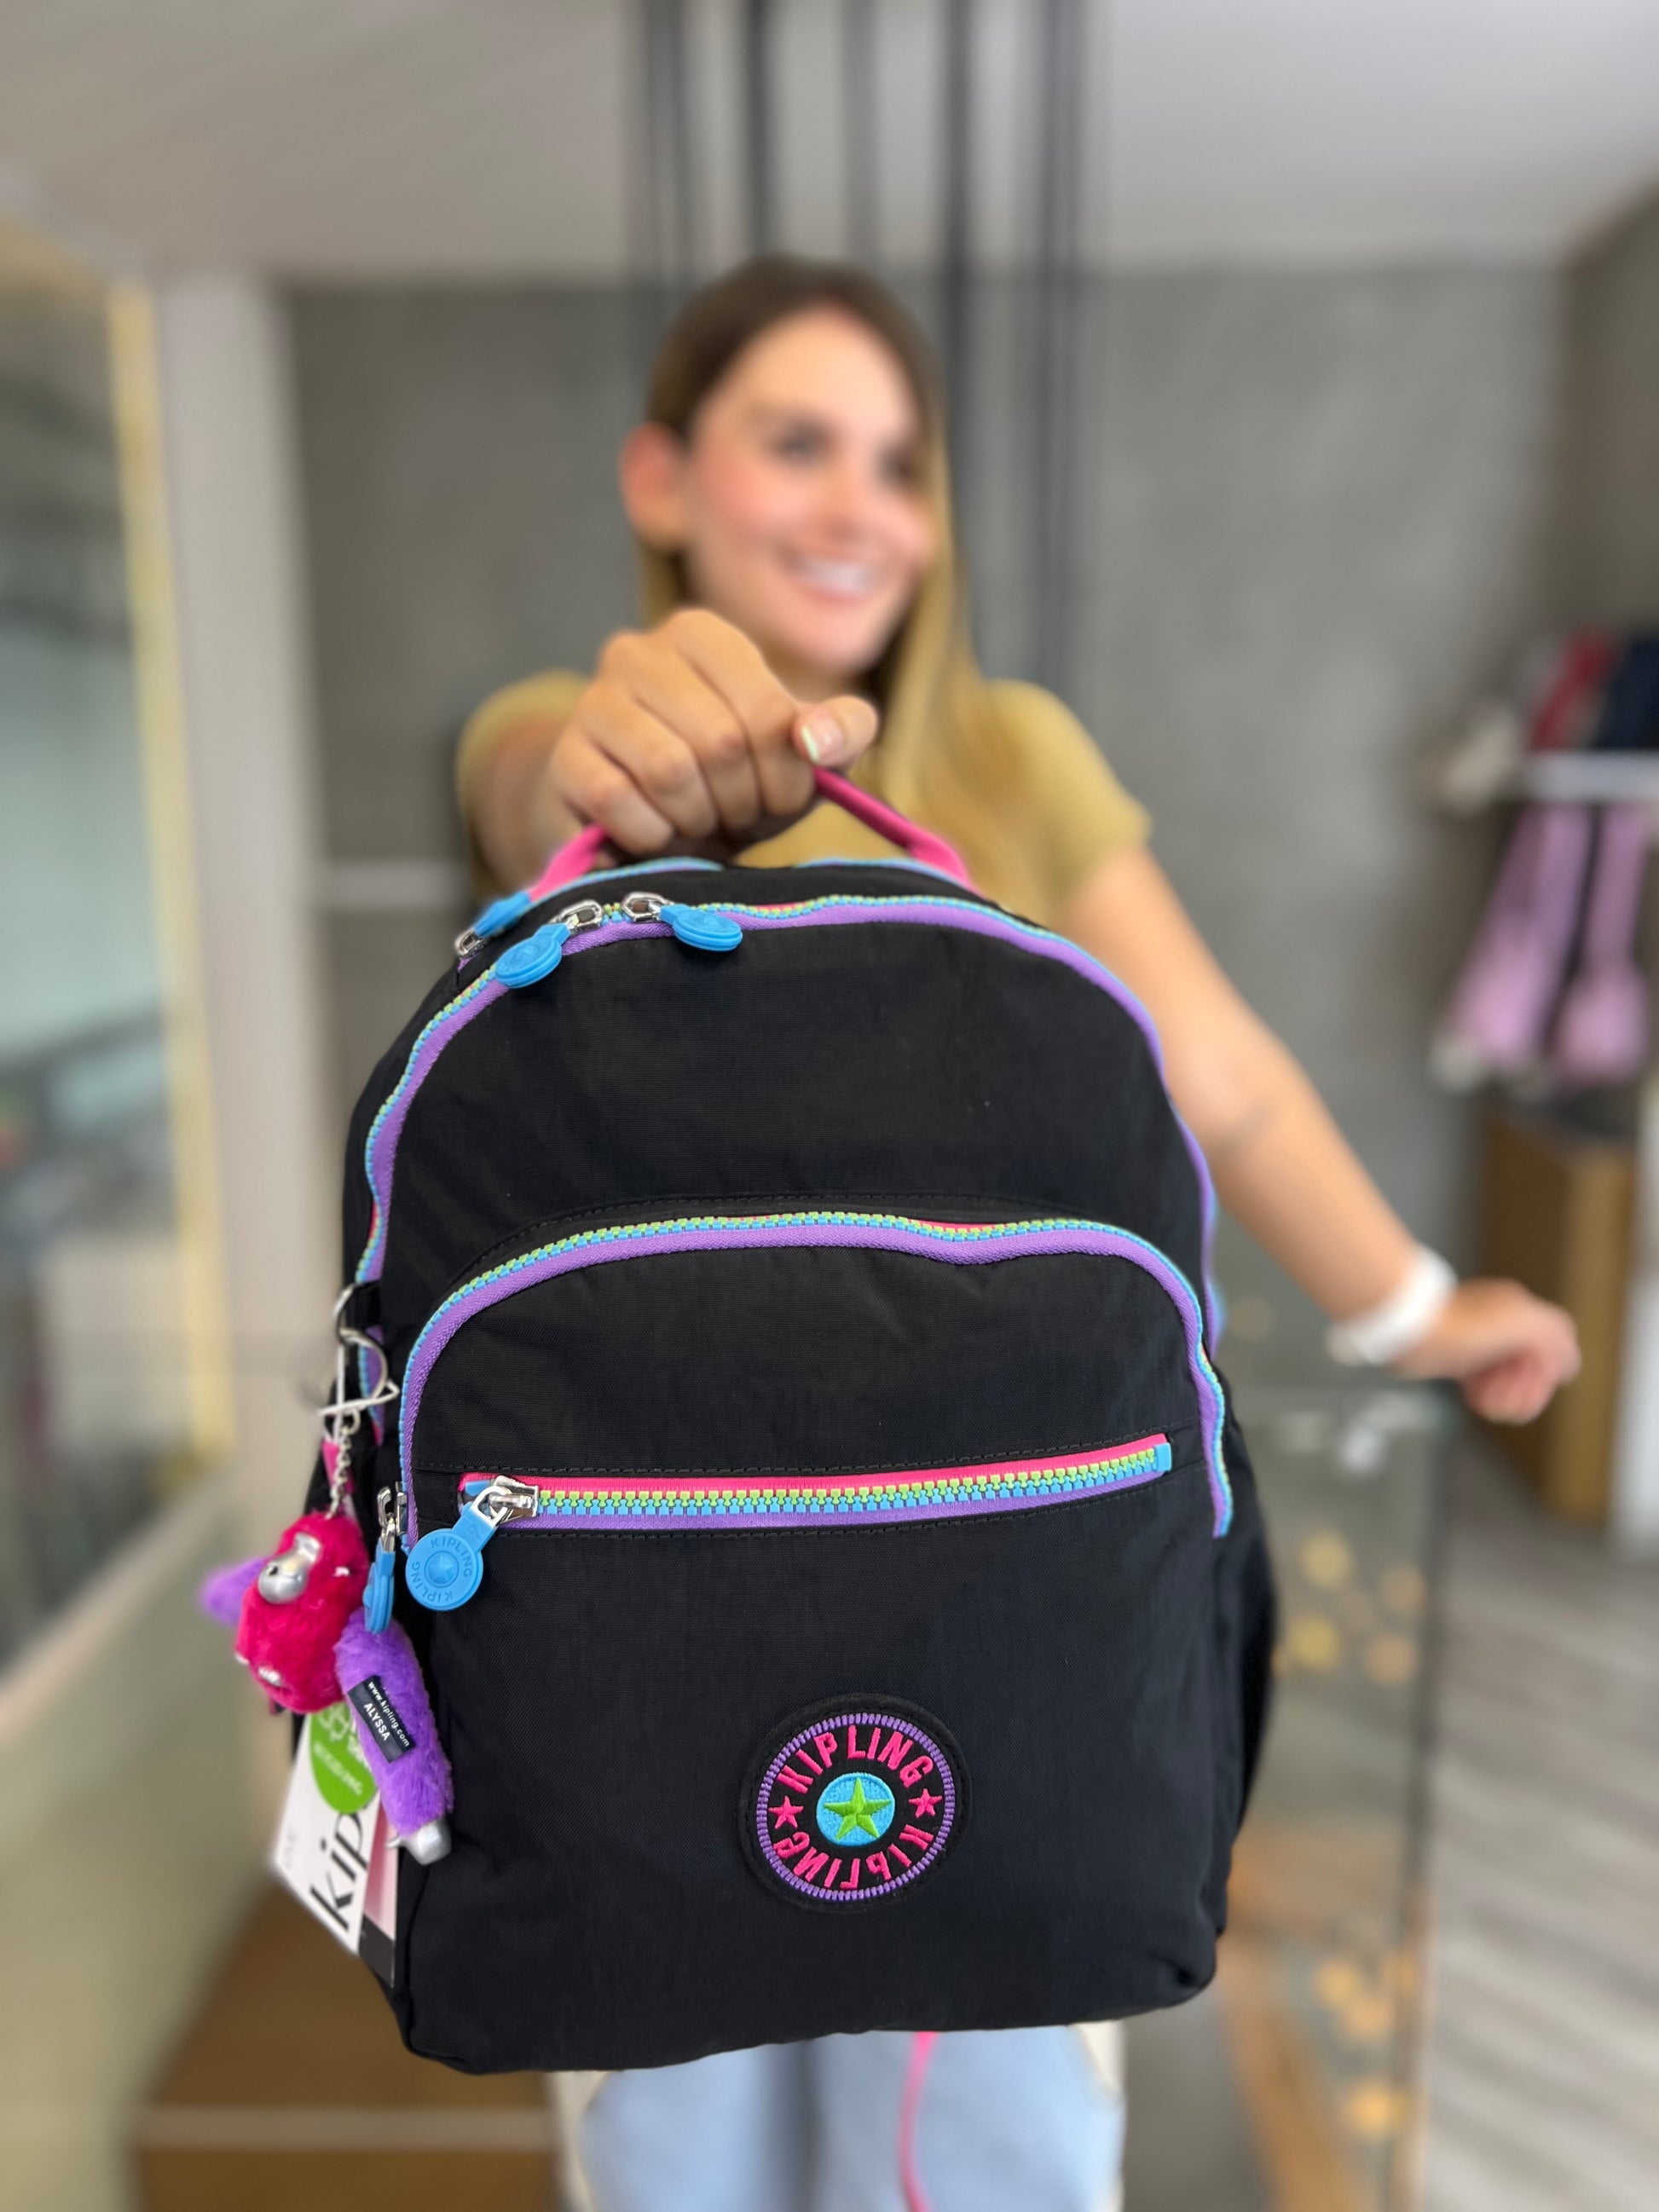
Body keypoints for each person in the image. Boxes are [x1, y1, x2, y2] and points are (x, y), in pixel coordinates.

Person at [458, 255, 1579, 2212]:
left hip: (988, 1573)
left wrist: (1410, 1303)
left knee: (984, 2124)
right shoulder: (576, 726)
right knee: (676, 2128)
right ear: (661, 476)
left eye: (898, 459)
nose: (857, 502)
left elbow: (1213, 1072)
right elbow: (521, 783)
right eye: (795, 441)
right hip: (653, 1598)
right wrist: (626, 756)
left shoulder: (1009, 761)